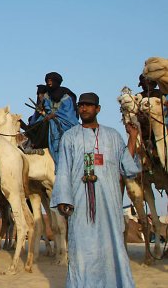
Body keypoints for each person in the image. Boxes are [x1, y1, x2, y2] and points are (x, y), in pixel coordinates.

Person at [51, 92, 140, 288]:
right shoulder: (70, 137)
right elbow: (64, 169)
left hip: (109, 202)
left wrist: (132, 137)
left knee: (111, 245)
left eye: (89, 105)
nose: (84, 108)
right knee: (82, 247)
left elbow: (128, 167)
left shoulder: (113, 136)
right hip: (80, 201)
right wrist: (64, 198)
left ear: (97, 109)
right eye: (81, 105)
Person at [28, 72, 79, 165]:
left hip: (65, 120)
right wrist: (47, 113)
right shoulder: (47, 95)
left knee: (48, 124)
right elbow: (47, 107)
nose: (49, 82)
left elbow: (68, 111)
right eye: (48, 80)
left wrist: (54, 115)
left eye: (51, 80)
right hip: (50, 117)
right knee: (35, 124)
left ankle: (39, 145)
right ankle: (32, 144)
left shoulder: (65, 96)